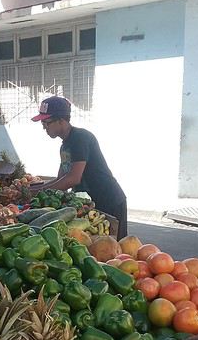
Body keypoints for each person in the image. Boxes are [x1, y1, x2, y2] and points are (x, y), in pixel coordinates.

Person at [31, 96, 127, 238]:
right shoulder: (65, 145)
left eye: (46, 122)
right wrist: (34, 189)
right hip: (91, 204)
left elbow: (73, 179)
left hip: (108, 200)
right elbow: (61, 178)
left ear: (61, 121)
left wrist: (40, 191)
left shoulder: (80, 138)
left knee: (115, 251)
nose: (44, 126)